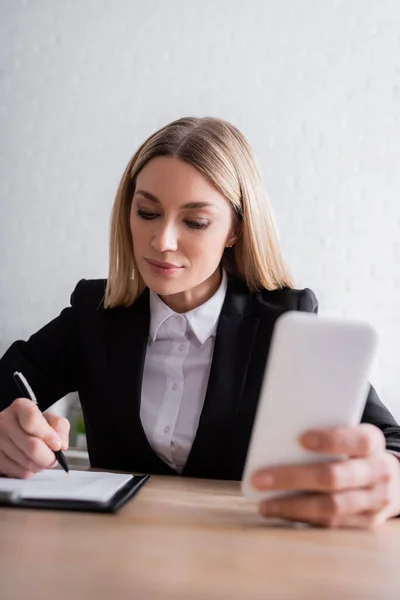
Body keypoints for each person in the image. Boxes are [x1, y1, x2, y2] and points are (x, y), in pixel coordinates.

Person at [0, 116, 399, 529]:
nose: (162, 241)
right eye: (147, 212)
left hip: (248, 567)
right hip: (114, 562)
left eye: (195, 222)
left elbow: (392, 442)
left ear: (235, 230)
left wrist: (390, 479)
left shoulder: (287, 324)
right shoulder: (94, 315)